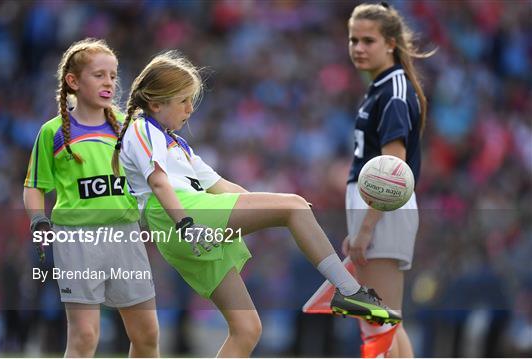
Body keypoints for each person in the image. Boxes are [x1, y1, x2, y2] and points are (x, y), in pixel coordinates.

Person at [111, 50, 401, 358]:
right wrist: (187, 223)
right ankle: (349, 291)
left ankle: (344, 288)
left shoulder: (178, 145)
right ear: (155, 104)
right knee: (293, 207)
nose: (190, 109)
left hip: (190, 222)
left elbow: (224, 188)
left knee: (247, 329)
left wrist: (266, 211)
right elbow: (158, 183)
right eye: (183, 100)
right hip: (181, 217)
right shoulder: (142, 129)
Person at [23, 38, 159, 357]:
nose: (109, 82)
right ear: (73, 82)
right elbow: (34, 186)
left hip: (125, 236)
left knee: (147, 334)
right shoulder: (52, 132)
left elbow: (155, 181)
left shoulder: (131, 130)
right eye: (99, 75)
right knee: (84, 336)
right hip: (75, 240)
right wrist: (38, 220)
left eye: (113, 75)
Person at [342, 2, 434, 358]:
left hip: (383, 211)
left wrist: (365, 229)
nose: (359, 48)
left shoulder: (394, 89)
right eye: (353, 40)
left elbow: (392, 172)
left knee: (380, 320)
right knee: (380, 321)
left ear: (391, 43)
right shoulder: (379, 86)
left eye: (369, 40)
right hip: (372, 211)